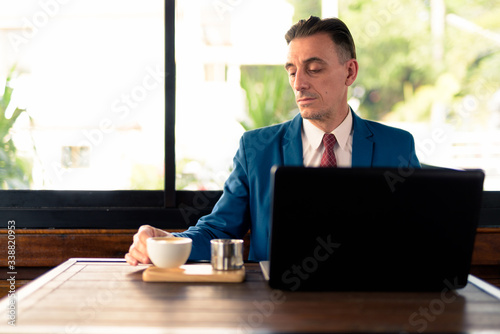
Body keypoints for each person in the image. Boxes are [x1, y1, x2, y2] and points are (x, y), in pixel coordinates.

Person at [125, 16, 420, 266]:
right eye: (292, 70)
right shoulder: (256, 149)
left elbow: (419, 231)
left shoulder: (397, 146)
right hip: (276, 305)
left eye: (314, 69)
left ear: (350, 71)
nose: (298, 83)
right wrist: (166, 241)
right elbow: (219, 231)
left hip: (369, 304)